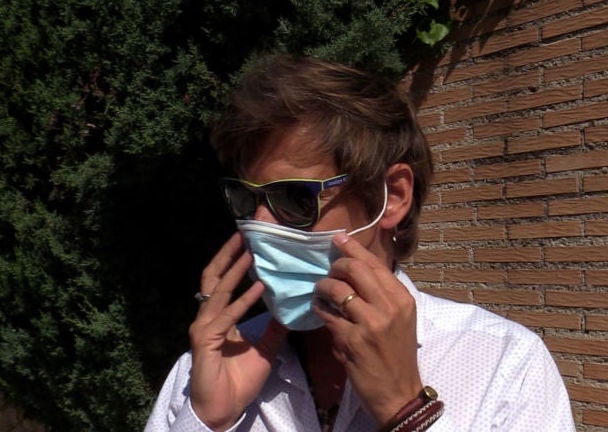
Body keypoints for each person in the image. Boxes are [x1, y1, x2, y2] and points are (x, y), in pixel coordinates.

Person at [144, 54, 575, 432]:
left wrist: (405, 411)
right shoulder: (207, 366)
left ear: (393, 197)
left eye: (293, 198)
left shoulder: (502, 361)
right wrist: (207, 421)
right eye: (245, 198)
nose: (258, 224)